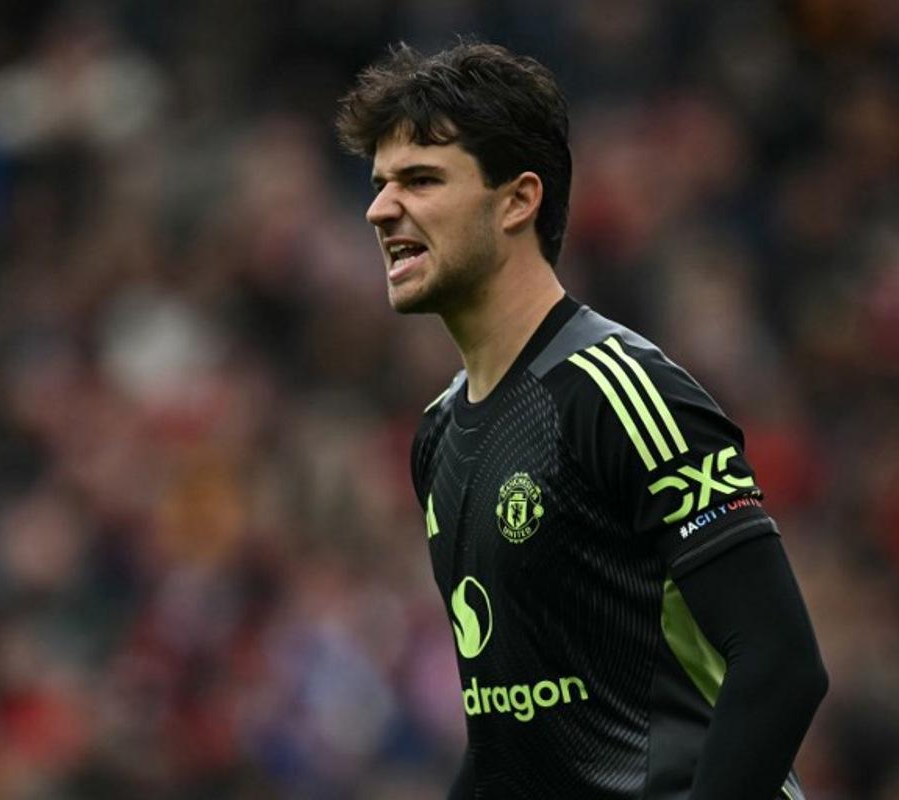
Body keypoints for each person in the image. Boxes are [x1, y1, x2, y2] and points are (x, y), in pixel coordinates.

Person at [337, 41, 828, 799]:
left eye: (420, 180)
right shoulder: (439, 436)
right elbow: (511, 736)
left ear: (517, 200)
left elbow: (781, 664)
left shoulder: (624, 394)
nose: (379, 208)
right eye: (378, 184)